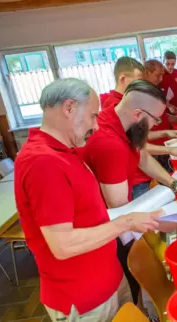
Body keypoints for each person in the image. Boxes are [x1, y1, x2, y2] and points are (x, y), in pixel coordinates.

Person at [14, 78, 161, 321]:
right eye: (93, 116)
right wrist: (126, 222)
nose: (96, 124)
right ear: (69, 108)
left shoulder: (65, 150)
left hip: (107, 279)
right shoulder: (43, 162)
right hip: (84, 297)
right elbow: (63, 245)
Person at [81, 79, 177, 306]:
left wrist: (173, 184)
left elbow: (141, 155)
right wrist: (165, 218)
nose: (155, 126)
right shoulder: (109, 144)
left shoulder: (121, 123)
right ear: (137, 114)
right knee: (132, 287)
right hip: (107, 235)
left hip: (115, 224)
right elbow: (122, 210)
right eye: (154, 119)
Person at [144, 59, 177, 172]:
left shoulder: (154, 90)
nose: (161, 79)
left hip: (166, 144)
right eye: (157, 75)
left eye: (162, 75)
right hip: (154, 149)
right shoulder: (141, 95)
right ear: (147, 72)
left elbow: (163, 116)